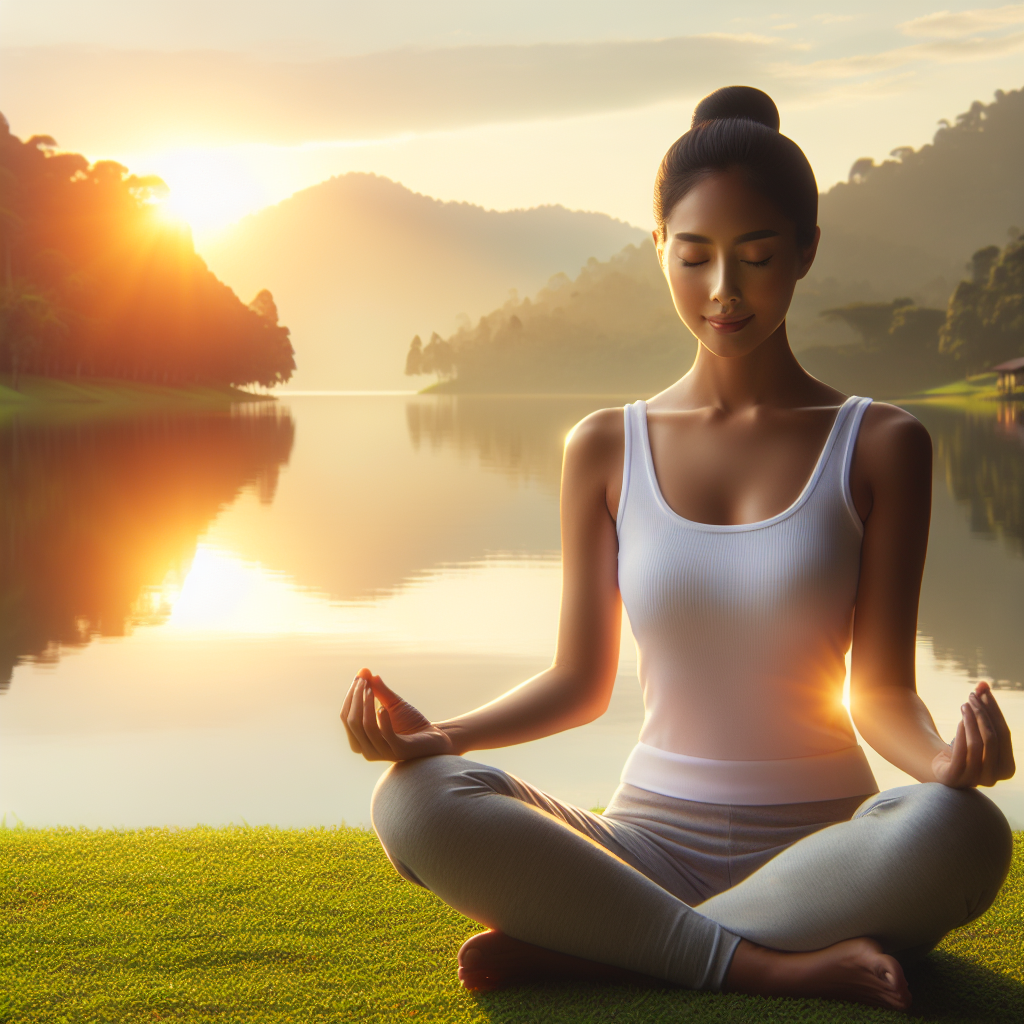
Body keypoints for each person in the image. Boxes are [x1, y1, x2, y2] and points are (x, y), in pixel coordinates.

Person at [340, 86, 1015, 1012]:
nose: (723, 292)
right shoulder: (605, 447)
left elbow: (880, 691)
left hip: (829, 850)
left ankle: (612, 946)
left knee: (966, 832)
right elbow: (580, 681)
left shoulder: (882, 443)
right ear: (659, 247)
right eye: (693, 257)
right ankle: (763, 963)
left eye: (757, 257)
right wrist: (438, 737)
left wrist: (942, 763)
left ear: (805, 253)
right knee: (411, 800)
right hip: (644, 845)